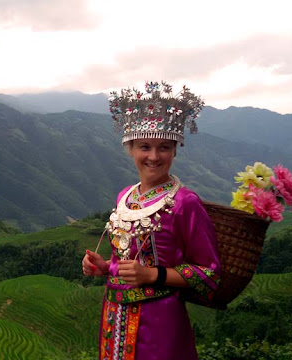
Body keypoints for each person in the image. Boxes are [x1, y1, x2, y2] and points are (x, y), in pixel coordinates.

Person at [82, 81, 220, 360]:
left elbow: (210, 272)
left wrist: (152, 275)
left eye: (164, 148)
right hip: (114, 320)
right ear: (130, 149)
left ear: (175, 151)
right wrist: (105, 267)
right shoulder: (125, 196)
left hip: (160, 324)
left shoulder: (185, 203)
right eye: (145, 146)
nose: (154, 157)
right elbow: (127, 263)